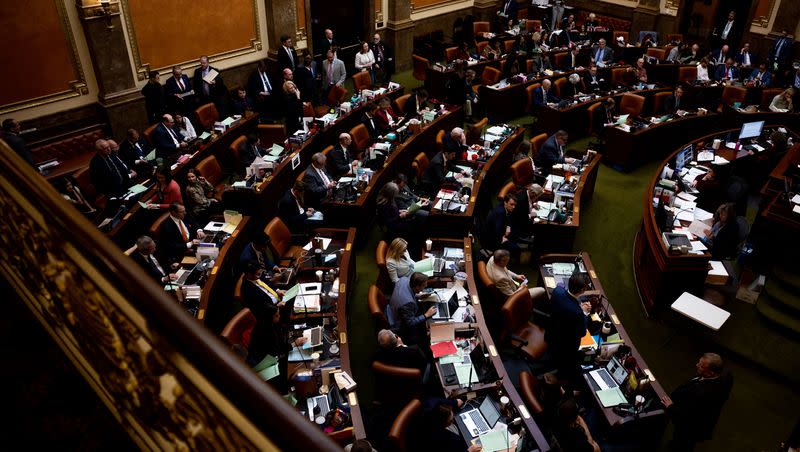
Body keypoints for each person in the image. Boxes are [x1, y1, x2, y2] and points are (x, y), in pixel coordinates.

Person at [241, 262, 303, 393]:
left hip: (273, 306)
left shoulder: (268, 324)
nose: (278, 316)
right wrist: (295, 343)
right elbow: (278, 349)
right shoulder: (267, 331)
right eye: (277, 316)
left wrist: (277, 292)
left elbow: (267, 286)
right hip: (265, 363)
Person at [664, 352, 732, 451]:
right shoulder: (726, 375)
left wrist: (670, 406)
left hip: (690, 428)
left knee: (682, 443)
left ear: (711, 373)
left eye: (701, 366)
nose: (696, 365)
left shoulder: (701, 394)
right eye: (699, 363)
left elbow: (685, 416)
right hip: (702, 419)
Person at [545, 272, 591, 385]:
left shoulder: (558, 291)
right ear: (582, 290)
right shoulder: (577, 313)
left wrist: (579, 306)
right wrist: (584, 312)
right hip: (565, 346)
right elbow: (582, 333)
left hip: (551, 333)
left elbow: (565, 304)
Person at [387, 272, 436, 345]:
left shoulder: (404, 279)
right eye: (423, 286)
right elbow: (410, 323)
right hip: (398, 323)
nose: (425, 286)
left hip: (392, 308)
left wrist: (417, 295)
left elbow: (404, 292)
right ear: (417, 287)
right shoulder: (408, 303)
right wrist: (426, 315)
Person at [482, 193, 521, 257]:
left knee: (516, 232)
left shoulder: (503, 206)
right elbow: (496, 231)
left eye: (514, 205)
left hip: (499, 232)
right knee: (517, 249)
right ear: (505, 202)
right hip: (492, 240)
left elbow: (508, 219)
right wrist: (503, 238)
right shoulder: (500, 213)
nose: (513, 207)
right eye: (511, 204)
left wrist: (508, 227)